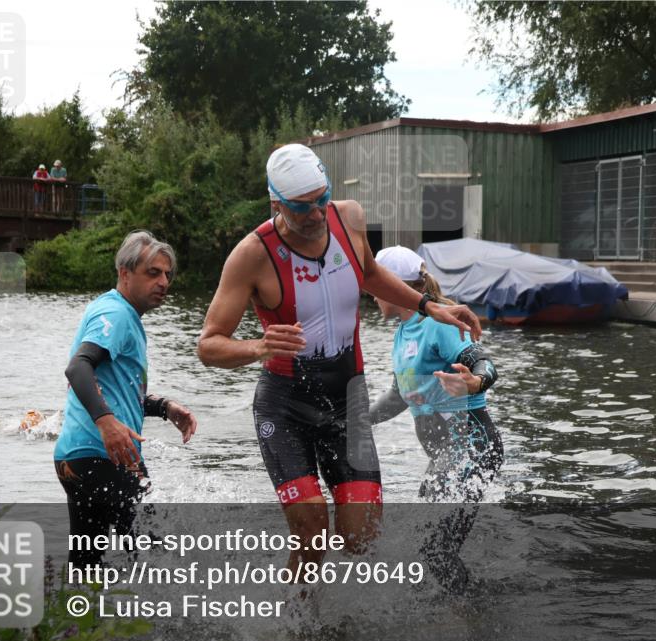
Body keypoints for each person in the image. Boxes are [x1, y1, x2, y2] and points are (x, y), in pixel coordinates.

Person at [197, 143, 481, 575]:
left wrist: (429, 307)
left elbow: (367, 272)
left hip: (347, 396)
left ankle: (343, 625)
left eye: (322, 200)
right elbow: (209, 345)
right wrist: (259, 346)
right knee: (312, 532)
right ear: (277, 203)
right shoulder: (252, 255)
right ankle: (298, 625)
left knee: (362, 535)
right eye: (302, 207)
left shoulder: (348, 217)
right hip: (286, 403)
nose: (316, 214)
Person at [54, 230, 198, 566]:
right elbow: (78, 369)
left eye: (167, 274)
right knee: (154, 560)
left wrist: (163, 408)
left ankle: (79, 617)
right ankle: (169, 619)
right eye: (153, 273)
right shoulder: (117, 315)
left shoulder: (114, 310)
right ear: (125, 273)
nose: (163, 281)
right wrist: (107, 425)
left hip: (74, 457)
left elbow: (116, 389)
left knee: (87, 566)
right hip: (105, 455)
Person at [368, 246, 503, 594]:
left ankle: (474, 613)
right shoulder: (404, 332)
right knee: (427, 544)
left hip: (473, 448)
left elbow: (483, 363)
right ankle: (462, 604)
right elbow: (399, 396)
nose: (370, 293)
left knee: (434, 548)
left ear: (393, 286)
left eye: (374, 284)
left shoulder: (437, 324)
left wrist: (476, 381)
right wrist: (354, 421)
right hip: (445, 458)